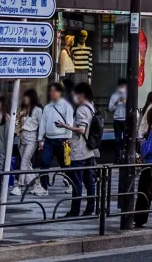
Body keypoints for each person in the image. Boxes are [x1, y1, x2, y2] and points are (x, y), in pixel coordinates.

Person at [37, 82, 74, 202]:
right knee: (44, 162)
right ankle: (44, 187)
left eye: (54, 91)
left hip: (62, 139)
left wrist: (69, 138)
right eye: (51, 91)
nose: (52, 93)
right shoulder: (47, 107)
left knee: (65, 164)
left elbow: (70, 124)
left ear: (60, 92)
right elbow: (43, 123)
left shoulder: (66, 106)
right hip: (48, 139)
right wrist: (40, 139)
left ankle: (70, 184)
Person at [67, 85, 95, 219]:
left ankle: (75, 210)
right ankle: (90, 208)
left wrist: (65, 126)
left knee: (76, 182)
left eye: (76, 94)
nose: (74, 97)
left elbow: (82, 129)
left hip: (80, 150)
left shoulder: (82, 109)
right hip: (89, 150)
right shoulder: (91, 107)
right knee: (89, 181)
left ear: (81, 95)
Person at [11, 91, 40, 197]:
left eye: (26, 97)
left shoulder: (37, 110)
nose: (24, 99)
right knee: (27, 164)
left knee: (24, 162)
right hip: (22, 138)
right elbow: (15, 124)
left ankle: (19, 185)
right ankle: (36, 184)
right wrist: (19, 116)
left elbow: (41, 125)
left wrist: (41, 140)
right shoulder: (22, 110)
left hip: (32, 139)